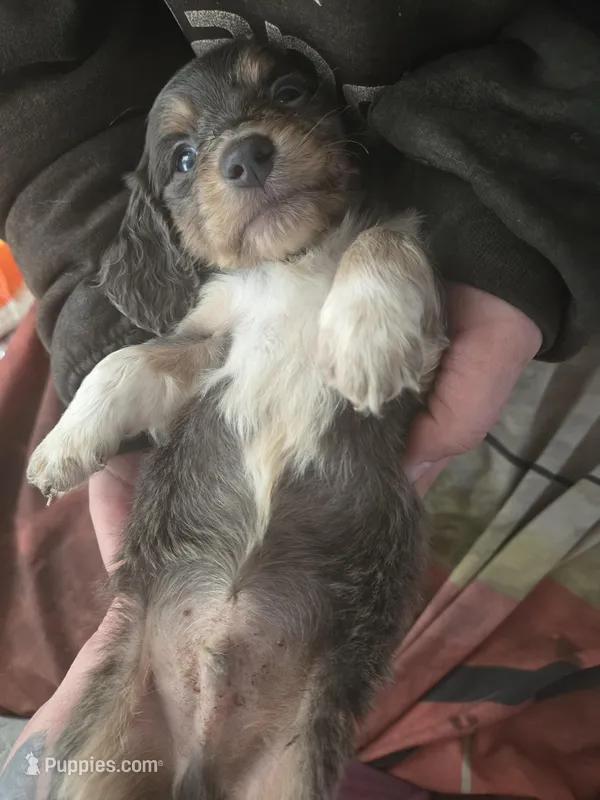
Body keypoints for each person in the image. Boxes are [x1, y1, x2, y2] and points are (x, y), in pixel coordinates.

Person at [0, 0, 598, 796]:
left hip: (313, 647)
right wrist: (102, 379)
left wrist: (426, 252)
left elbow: (410, 299)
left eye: (284, 99)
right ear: (162, 223)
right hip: (158, 617)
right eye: (185, 157)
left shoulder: (392, 241)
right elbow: (169, 360)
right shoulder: (207, 304)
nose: (240, 152)